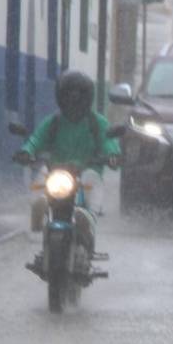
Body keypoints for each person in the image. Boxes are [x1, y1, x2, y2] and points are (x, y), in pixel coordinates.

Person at [14, 71, 120, 277]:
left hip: (88, 173)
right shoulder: (54, 122)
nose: (74, 100)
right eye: (69, 95)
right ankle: (40, 227)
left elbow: (109, 142)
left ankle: (87, 224)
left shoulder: (96, 123)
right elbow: (36, 138)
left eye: (78, 95)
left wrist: (113, 155)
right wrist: (27, 151)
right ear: (61, 97)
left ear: (87, 97)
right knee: (38, 189)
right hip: (56, 170)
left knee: (92, 195)